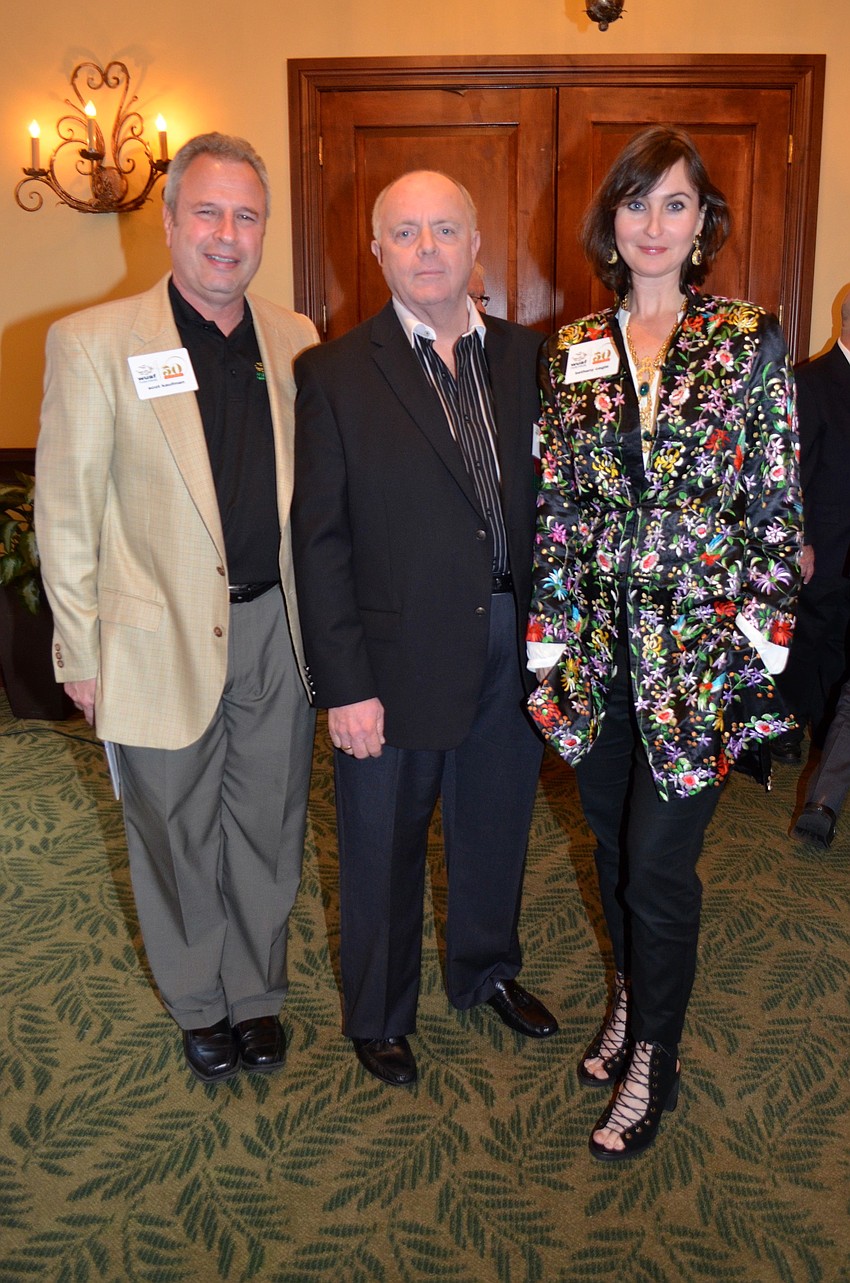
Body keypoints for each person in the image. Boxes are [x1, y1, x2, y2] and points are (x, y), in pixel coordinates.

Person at [527, 126, 801, 1159]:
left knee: (658, 863)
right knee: (607, 842)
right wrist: (546, 648)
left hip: (695, 660)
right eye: (635, 204)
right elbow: (555, 509)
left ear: (701, 224)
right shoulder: (570, 350)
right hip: (597, 654)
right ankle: (630, 1005)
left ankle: (657, 1058)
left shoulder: (745, 336)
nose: (652, 225)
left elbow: (777, 503)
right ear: (611, 223)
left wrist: (757, 654)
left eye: (674, 204)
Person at [35, 133, 319, 1083]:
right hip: (152, 637)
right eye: (207, 211)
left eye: (246, 215)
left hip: (276, 628)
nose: (226, 234)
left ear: (264, 228)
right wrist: (78, 648)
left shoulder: (296, 337)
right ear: (168, 221)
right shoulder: (93, 342)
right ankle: (201, 1001)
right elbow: (67, 512)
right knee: (174, 833)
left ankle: (258, 993)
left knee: (269, 823)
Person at [291, 169, 557, 1088]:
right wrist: (344, 684)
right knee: (380, 846)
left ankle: (486, 972)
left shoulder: (534, 359)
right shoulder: (332, 372)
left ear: (478, 242)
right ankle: (378, 1012)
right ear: (376, 251)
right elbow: (318, 541)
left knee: (495, 825)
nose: (429, 248)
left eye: (446, 228)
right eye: (406, 233)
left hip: (513, 646)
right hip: (390, 663)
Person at [773, 289, 850, 766]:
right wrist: (799, 542)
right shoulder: (811, 381)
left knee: (841, 633)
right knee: (809, 633)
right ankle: (783, 727)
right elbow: (790, 474)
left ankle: (828, 726)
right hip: (823, 540)